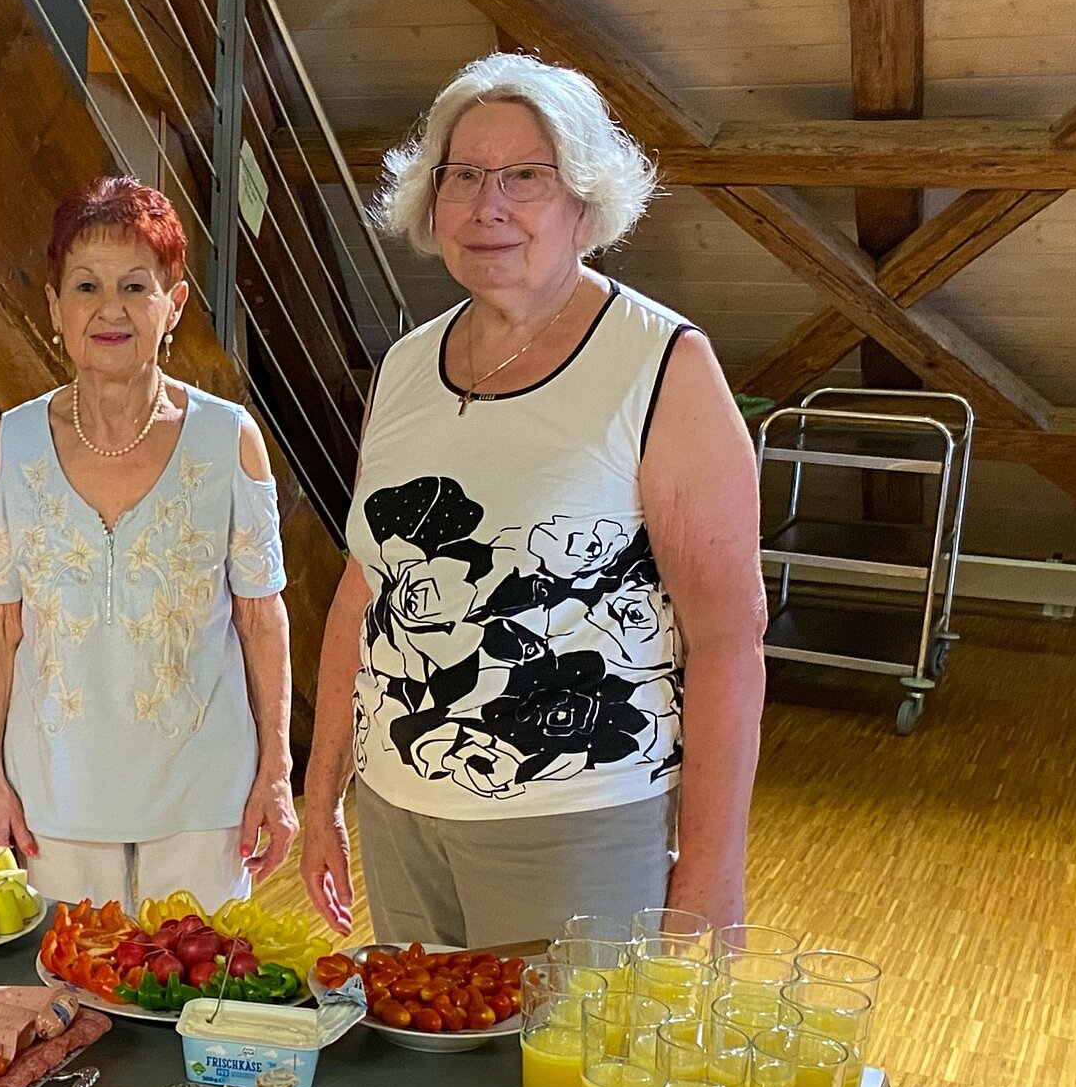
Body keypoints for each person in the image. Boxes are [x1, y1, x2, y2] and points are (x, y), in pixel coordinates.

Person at [299, 53, 765, 949]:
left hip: (578, 825)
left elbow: (728, 637)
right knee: (424, 1082)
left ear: (585, 201)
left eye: (525, 177)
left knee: (565, 1086)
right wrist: (324, 797)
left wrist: (712, 870)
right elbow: (366, 592)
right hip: (401, 817)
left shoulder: (661, 365)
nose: (489, 207)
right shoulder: (403, 369)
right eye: (464, 176)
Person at [0, 175, 295, 914]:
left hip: (202, 799)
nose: (109, 308)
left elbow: (260, 618)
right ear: (54, 307)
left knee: (193, 1004)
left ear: (173, 304)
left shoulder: (228, 441)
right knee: (62, 1006)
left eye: (134, 285)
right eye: (85, 286)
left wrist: (276, 772)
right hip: (52, 796)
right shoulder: (13, 444)